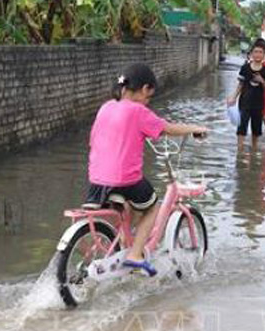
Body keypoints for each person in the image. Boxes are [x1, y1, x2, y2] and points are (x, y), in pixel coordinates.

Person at [85, 63, 208, 277]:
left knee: (130, 204)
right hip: (124, 180)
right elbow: (167, 128)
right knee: (151, 206)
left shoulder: (106, 107)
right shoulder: (138, 111)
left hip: (96, 179)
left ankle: (125, 242)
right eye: (149, 96)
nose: (148, 101)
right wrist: (194, 128)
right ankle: (134, 254)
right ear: (144, 89)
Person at [227, 41, 265, 148]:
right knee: (242, 126)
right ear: (251, 54)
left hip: (258, 103)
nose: (258, 54)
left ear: (264, 54)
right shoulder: (245, 68)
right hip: (244, 102)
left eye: (260, 52)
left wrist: (261, 80)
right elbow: (240, 84)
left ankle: (254, 149)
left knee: (256, 129)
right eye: (255, 52)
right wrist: (233, 97)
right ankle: (240, 149)